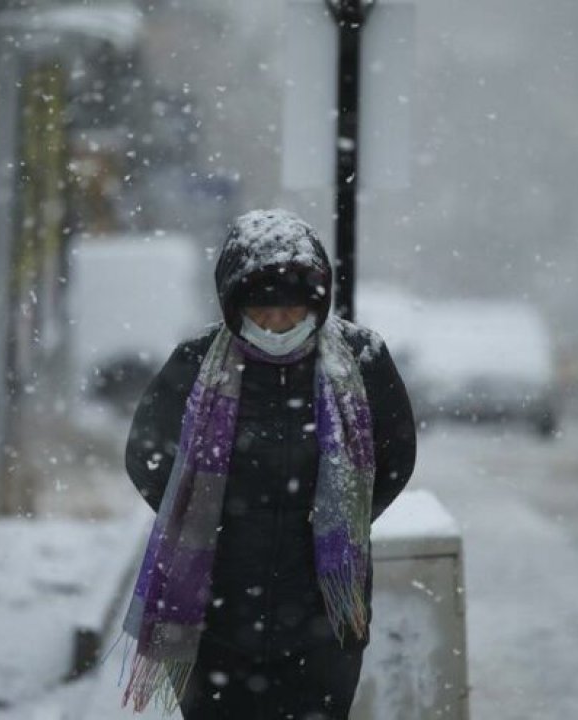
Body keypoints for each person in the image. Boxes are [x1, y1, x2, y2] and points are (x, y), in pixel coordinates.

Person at [114, 209, 417, 719]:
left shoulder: (363, 360)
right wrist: (216, 518)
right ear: (234, 307)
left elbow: (395, 455)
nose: (278, 324)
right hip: (216, 621)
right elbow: (147, 455)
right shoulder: (195, 363)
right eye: (263, 312)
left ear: (316, 306)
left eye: (293, 311)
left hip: (325, 619)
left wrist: (336, 518)